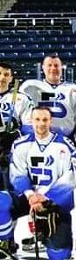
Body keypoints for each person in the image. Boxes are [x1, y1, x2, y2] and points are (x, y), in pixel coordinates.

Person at [0, 106, 75, 260]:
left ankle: (46, 239)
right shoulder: (20, 144)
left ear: (51, 121)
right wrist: (30, 195)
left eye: (45, 120)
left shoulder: (65, 145)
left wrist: (45, 197)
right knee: (1, 200)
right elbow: (17, 174)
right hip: (27, 197)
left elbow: (69, 178)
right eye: (37, 119)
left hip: (53, 200)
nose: (41, 124)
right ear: (31, 121)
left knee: (59, 256)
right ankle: (5, 242)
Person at [20, 54, 76, 143]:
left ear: (61, 68)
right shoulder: (30, 86)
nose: (53, 68)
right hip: (35, 140)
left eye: (56, 65)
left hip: (64, 140)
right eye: (49, 65)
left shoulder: (74, 89)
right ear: (43, 68)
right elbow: (21, 111)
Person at [0, 62, 33, 190]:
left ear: (11, 78)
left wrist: (15, 136)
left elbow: (29, 130)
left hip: (10, 150)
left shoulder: (22, 99)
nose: (2, 78)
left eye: (6, 75)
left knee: (10, 186)